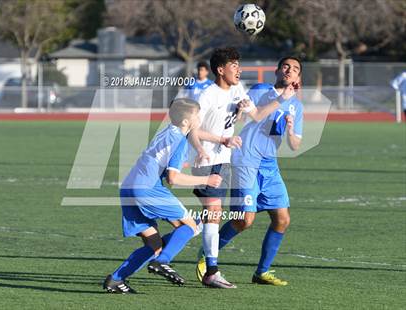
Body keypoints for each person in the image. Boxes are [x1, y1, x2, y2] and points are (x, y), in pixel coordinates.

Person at [103, 98, 222, 294]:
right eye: (197, 115)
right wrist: (207, 181)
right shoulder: (180, 141)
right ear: (186, 121)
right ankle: (162, 261)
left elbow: (161, 162)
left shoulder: (167, 131)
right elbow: (173, 178)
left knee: (154, 243)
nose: (200, 119)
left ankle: (115, 280)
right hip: (147, 188)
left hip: (128, 188)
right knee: (189, 226)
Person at [204, 56, 303, 286]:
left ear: (298, 77)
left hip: (269, 165)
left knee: (282, 219)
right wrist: (281, 98)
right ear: (277, 71)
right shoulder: (261, 90)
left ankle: (262, 272)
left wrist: (290, 130)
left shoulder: (296, 105)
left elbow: (296, 144)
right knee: (243, 221)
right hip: (246, 160)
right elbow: (253, 115)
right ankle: (207, 258)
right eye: (286, 66)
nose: (290, 70)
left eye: (295, 69)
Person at [189, 47, 248, 288]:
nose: (239, 69)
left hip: (223, 160)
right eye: (234, 65)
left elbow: (234, 122)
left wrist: (241, 111)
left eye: (238, 64)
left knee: (208, 217)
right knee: (213, 213)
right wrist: (222, 140)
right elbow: (193, 129)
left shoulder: (236, 90)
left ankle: (164, 250)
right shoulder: (207, 95)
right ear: (220, 69)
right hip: (205, 161)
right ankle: (211, 271)